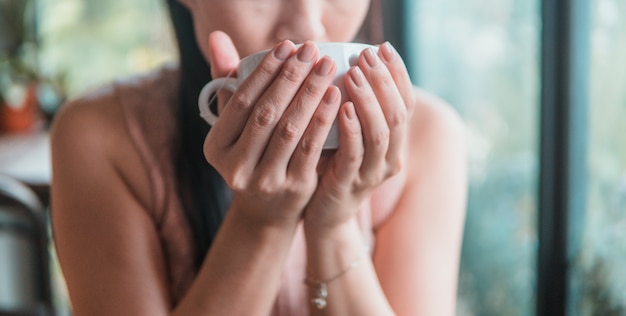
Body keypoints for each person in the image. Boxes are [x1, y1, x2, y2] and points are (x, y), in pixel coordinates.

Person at [49, 0, 467, 315]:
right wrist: (262, 219)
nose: (307, 22)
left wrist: (336, 225)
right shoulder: (99, 137)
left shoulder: (428, 136)